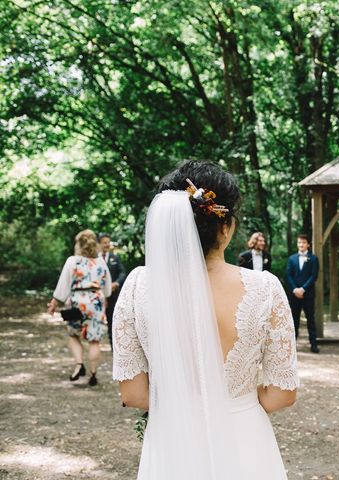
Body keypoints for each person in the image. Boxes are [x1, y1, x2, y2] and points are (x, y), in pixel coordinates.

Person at [112, 160, 298, 479]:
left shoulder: (137, 287)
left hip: (172, 442)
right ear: (225, 227)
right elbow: (283, 393)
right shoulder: (265, 289)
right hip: (246, 441)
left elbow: (133, 395)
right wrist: (237, 409)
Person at [47, 229, 112, 386]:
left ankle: (79, 364)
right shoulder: (101, 262)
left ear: (79, 244)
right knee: (94, 341)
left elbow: (63, 284)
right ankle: (94, 373)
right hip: (96, 303)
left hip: (77, 302)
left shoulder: (72, 261)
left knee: (74, 335)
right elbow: (108, 289)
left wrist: (54, 303)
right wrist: (102, 295)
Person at [285, 234, 320, 353]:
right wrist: (295, 289)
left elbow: (314, 276)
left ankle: (313, 344)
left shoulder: (313, 259)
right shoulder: (292, 259)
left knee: (311, 319)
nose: (301, 245)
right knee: (294, 320)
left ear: (308, 244)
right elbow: (288, 275)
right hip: (294, 295)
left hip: (308, 294)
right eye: (299, 242)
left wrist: (303, 289)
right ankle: (292, 346)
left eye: (304, 243)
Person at [98, 233, 127, 349]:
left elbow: (122, 272)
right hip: (98, 295)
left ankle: (113, 347)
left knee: (112, 320)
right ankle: (96, 346)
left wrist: (117, 283)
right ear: (99, 244)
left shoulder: (115, 258)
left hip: (113, 295)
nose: (107, 245)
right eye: (104, 242)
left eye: (108, 242)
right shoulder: (95, 258)